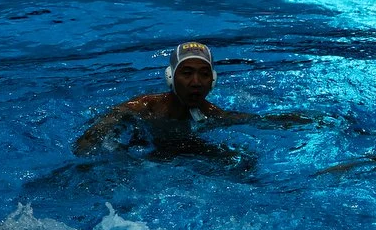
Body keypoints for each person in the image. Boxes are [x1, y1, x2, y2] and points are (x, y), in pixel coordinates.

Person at [74, 42, 308, 155]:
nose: (196, 82)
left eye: (204, 74)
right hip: (142, 154)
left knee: (242, 161)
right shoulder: (143, 107)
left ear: (213, 81)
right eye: (186, 73)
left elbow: (255, 121)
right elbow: (96, 132)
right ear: (170, 78)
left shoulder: (210, 114)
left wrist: (309, 120)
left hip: (183, 155)